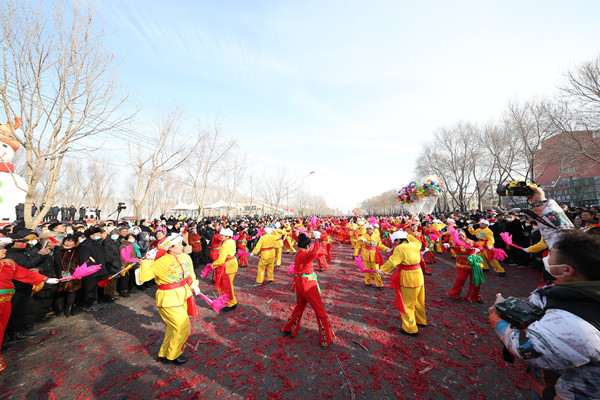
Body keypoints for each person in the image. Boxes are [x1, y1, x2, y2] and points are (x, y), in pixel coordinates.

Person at [488, 229, 600, 400]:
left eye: (552, 254)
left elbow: (525, 348)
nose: (546, 258)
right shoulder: (583, 284)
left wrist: (497, 318)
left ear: (567, 270)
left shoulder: (572, 324)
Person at [139, 235, 200, 365]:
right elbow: (143, 277)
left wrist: (195, 284)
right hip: (168, 299)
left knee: (173, 327)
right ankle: (173, 355)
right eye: (179, 244)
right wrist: (147, 260)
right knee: (182, 325)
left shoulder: (185, 257)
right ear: (170, 247)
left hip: (183, 294)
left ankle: (165, 353)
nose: (183, 246)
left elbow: (190, 273)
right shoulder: (160, 262)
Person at [0, 237, 59, 372]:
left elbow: (24, 274)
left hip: (6, 302)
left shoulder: (8, 263)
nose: (5, 251)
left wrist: (45, 279)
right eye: (2, 248)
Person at [281, 233, 335, 348]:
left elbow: (315, 252)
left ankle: (289, 329)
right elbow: (316, 252)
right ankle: (326, 339)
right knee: (320, 311)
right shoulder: (306, 255)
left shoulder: (299, 253)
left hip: (300, 285)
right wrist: (317, 240)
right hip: (308, 285)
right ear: (307, 246)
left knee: (299, 308)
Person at [378, 231, 426, 336]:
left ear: (399, 240)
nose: (395, 243)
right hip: (418, 274)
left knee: (407, 304)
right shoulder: (415, 244)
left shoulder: (400, 248)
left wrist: (383, 270)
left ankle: (410, 329)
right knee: (419, 300)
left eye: (395, 241)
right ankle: (421, 321)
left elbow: (393, 261)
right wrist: (406, 234)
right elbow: (417, 241)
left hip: (408, 277)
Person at [445, 230, 485, 303]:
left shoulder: (471, 242)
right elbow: (445, 247)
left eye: (462, 235)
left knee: (475, 281)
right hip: (461, 265)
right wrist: (446, 245)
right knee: (460, 280)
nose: (460, 236)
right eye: (458, 235)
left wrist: (477, 249)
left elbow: (481, 247)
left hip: (473, 265)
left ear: (465, 235)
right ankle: (455, 294)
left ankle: (473, 297)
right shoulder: (454, 242)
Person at [353, 224, 389, 290]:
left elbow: (380, 245)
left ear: (372, 229)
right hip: (366, 255)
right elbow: (358, 242)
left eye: (370, 229)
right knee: (366, 270)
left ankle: (379, 284)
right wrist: (361, 240)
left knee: (377, 270)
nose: (369, 230)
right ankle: (368, 282)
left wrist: (386, 249)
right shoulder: (363, 236)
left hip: (374, 256)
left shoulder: (376, 236)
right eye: (367, 229)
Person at [211, 228, 238, 311]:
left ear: (228, 237)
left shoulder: (225, 245)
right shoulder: (231, 241)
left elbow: (221, 260)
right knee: (228, 286)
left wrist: (213, 265)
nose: (221, 236)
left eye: (223, 235)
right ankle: (229, 302)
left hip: (227, 267)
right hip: (232, 264)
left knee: (226, 286)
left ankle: (231, 303)